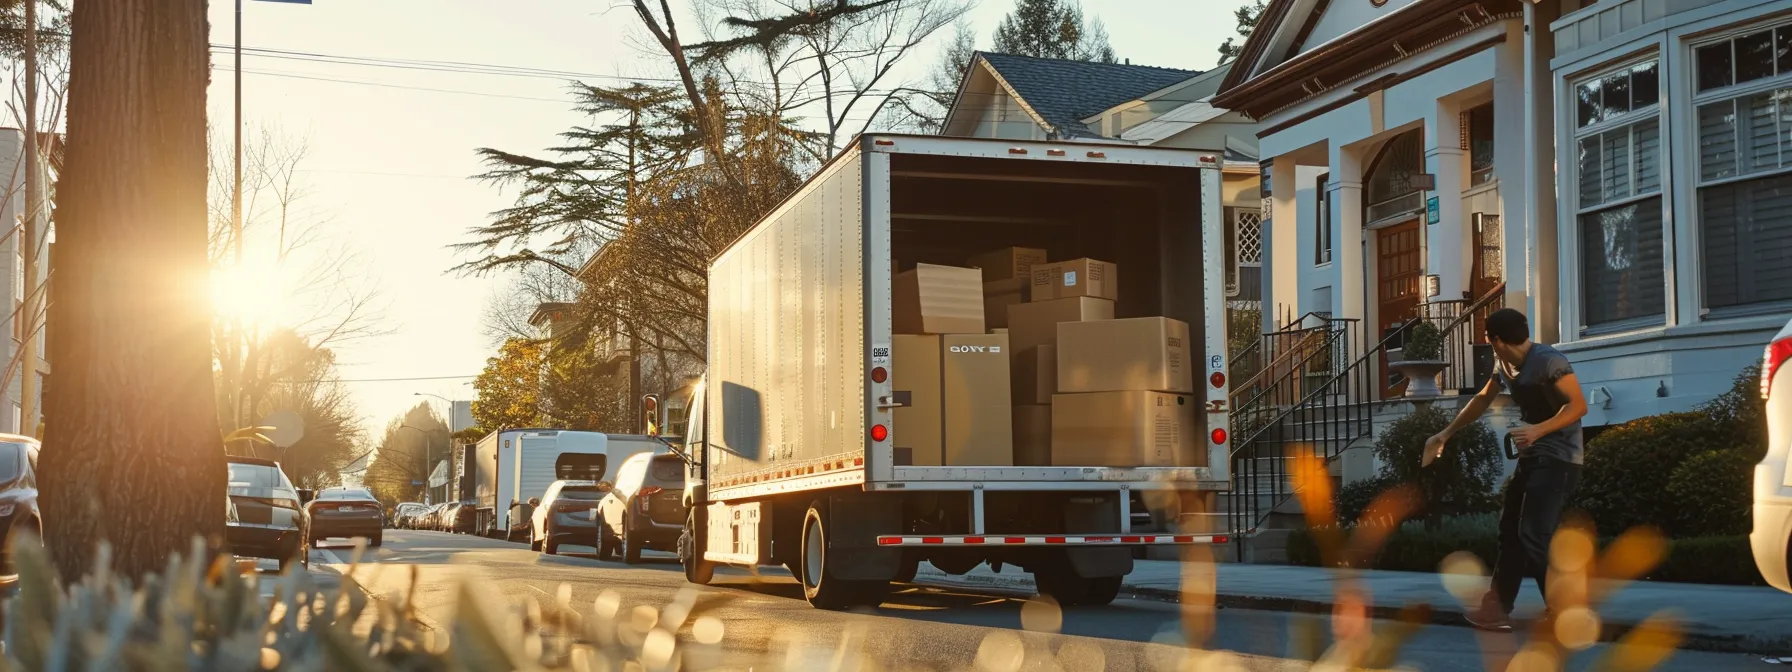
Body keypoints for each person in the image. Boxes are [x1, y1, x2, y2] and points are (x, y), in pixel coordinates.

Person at [1422, 308, 1588, 631]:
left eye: (1488, 341)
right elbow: (1483, 399)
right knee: (1510, 531)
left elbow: (1579, 406)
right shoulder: (1505, 364)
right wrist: (1445, 434)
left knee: (1534, 535)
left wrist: (1538, 431)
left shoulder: (1549, 361)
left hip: (1560, 459)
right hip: (1533, 456)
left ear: (1494, 340)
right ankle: (1495, 610)